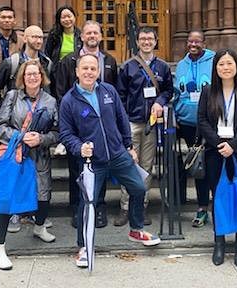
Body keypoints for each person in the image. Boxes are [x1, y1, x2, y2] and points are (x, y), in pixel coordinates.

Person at [59, 54, 161, 268]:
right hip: (92, 162)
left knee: (138, 188)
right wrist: (79, 148)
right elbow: (66, 134)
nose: (88, 72)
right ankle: (84, 246)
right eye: (84, 68)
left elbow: (122, 119)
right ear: (77, 71)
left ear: (98, 71)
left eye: (92, 68)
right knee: (88, 203)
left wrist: (129, 146)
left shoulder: (108, 91)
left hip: (118, 154)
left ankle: (136, 229)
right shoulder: (69, 100)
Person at [0, 59, 59, 270]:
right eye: (28, 74)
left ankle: (39, 227)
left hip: (39, 155)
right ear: (22, 77)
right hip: (16, 155)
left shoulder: (50, 101)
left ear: (42, 77)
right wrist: (21, 136)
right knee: (6, 200)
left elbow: (57, 133)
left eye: (36, 74)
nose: (32, 77)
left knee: (43, 195)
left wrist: (41, 139)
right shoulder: (12, 96)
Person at [54, 20, 118, 228]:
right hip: (77, 123)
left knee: (101, 167)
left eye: (95, 33)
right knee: (77, 169)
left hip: (100, 126)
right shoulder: (68, 61)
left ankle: (99, 207)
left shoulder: (109, 60)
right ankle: (77, 209)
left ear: (100, 36)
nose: (92, 36)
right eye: (88, 32)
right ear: (81, 36)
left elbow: (113, 93)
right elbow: (61, 91)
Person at [197, 48, 237, 267]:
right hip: (215, 152)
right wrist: (218, 143)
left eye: (229, 63)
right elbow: (202, 120)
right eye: (221, 64)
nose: (225, 67)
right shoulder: (208, 92)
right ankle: (219, 243)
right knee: (218, 197)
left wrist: (233, 145)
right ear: (215, 68)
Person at [115, 26, 173, 226]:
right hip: (131, 123)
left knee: (146, 166)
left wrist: (160, 102)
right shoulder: (127, 66)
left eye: (150, 39)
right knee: (128, 165)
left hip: (151, 124)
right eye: (143, 39)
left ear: (156, 41)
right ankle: (125, 207)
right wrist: (122, 122)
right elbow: (120, 97)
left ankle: (141, 206)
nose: (146, 42)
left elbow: (168, 90)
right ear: (137, 42)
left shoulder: (163, 67)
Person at [173, 30, 214, 227]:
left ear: (204, 43)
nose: (193, 44)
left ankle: (218, 207)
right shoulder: (181, 65)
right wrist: (176, 115)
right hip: (188, 123)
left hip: (211, 124)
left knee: (212, 166)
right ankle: (202, 207)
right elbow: (176, 92)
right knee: (198, 167)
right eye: (190, 41)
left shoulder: (215, 61)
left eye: (197, 41)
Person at [0, 25, 53, 114]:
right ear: (25, 39)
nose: (39, 41)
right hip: (16, 118)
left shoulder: (47, 63)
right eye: (34, 37)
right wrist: (3, 112)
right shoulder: (12, 63)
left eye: (41, 37)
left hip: (40, 117)